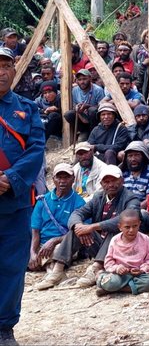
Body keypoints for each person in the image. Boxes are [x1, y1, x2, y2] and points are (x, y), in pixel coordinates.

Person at [35, 165, 141, 291]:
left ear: (122, 181)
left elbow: (125, 219)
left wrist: (92, 227)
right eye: (106, 181)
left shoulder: (131, 198)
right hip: (99, 244)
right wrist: (79, 226)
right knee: (77, 229)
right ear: (101, 183)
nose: (111, 184)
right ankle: (58, 270)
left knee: (118, 230)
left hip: (121, 249)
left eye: (114, 180)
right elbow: (77, 213)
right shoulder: (98, 197)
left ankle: (97, 267)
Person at [0, 47, 45, 345]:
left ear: (15, 72)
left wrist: (10, 178)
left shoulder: (27, 109)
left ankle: (4, 326)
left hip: (14, 202)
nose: (1, 72)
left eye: (6, 66)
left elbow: (36, 150)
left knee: (12, 265)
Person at [29, 164, 85, 271]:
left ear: (73, 179)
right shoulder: (43, 200)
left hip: (63, 244)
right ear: (53, 179)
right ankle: (48, 265)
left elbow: (79, 233)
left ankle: (47, 265)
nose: (62, 181)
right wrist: (32, 253)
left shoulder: (79, 203)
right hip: (42, 244)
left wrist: (54, 241)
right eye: (59, 177)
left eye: (66, 177)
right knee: (19, 252)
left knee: (60, 250)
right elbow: (35, 231)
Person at [96, 209, 149, 297]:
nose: (131, 230)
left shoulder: (145, 239)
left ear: (139, 224)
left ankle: (115, 290)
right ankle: (121, 285)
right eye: (127, 227)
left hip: (138, 275)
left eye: (135, 226)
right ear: (120, 227)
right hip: (120, 275)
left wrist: (142, 269)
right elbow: (108, 262)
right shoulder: (115, 240)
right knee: (110, 282)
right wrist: (117, 268)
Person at [63, 69, 105, 138]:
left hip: (95, 119)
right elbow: (74, 105)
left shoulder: (98, 90)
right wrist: (78, 110)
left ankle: (94, 133)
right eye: (79, 79)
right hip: (82, 116)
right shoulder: (75, 90)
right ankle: (84, 131)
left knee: (92, 110)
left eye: (84, 79)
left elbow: (102, 107)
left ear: (90, 78)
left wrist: (88, 106)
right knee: (68, 114)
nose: (82, 82)